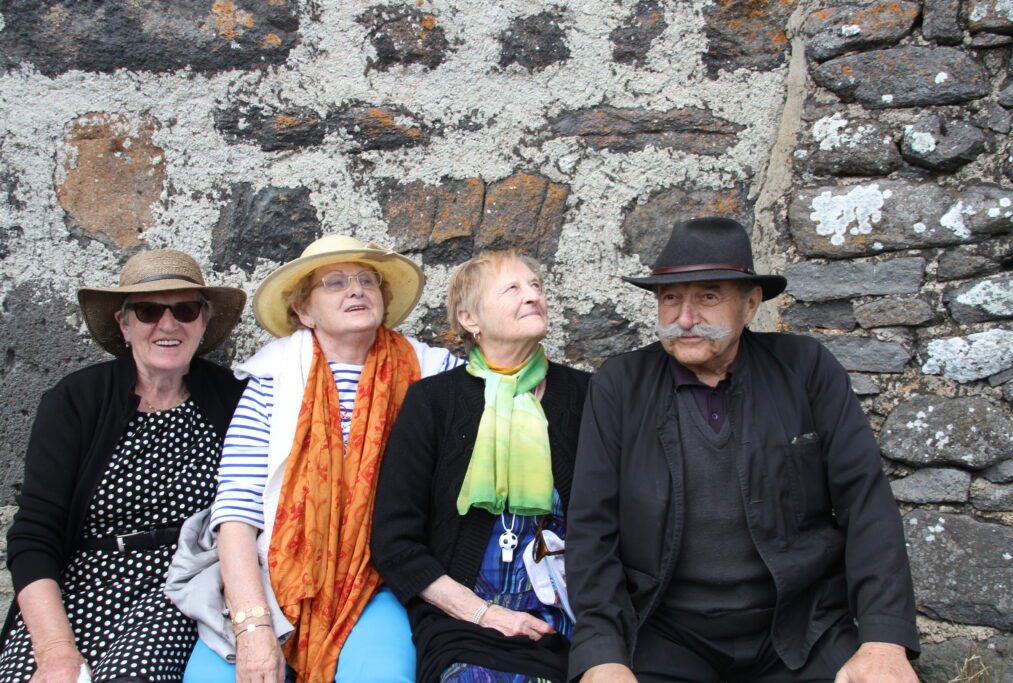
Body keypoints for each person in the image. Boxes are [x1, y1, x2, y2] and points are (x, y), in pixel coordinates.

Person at [566, 218, 920, 683]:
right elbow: (592, 527)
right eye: (671, 298)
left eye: (708, 296)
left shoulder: (805, 369)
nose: (685, 318)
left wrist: (882, 641)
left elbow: (866, 502)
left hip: (801, 626)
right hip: (665, 632)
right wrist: (602, 655)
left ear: (750, 305)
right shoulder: (621, 384)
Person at [180, 235, 462, 683]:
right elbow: (236, 510)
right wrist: (252, 626)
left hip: (380, 582)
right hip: (272, 582)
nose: (356, 290)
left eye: (366, 280)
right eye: (334, 282)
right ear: (304, 312)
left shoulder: (434, 371)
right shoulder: (272, 380)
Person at [0, 249, 247, 682]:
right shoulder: (75, 400)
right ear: (124, 324)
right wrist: (56, 650)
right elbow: (35, 534)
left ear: (203, 321)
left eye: (185, 310)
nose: (167, 325)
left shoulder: (231, 397)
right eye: (149, 311)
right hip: (82, 583)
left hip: (178, 584)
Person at [371, 250, 591, 683]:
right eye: (512, 288)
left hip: (574, 618)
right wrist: (484, 613)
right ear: (470, 318)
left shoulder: (587, 395)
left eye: (536, 286)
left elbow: (618, 523)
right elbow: (395, 543)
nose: (532, 297)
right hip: (466, 623)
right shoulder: (433, 403)